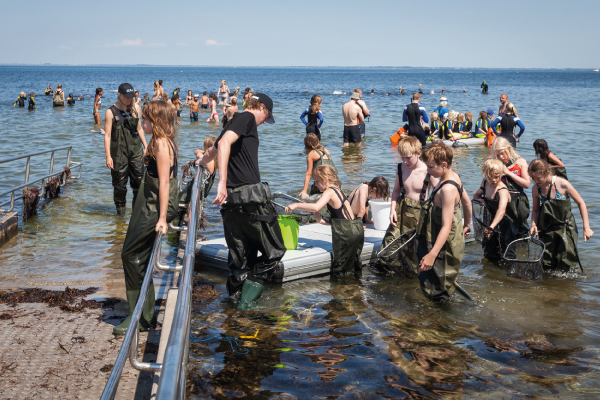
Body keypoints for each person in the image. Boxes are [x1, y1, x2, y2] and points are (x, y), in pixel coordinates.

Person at [197, 93, 285, 309]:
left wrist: (199, 162)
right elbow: (224, 144)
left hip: (232, 204)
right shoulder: (245, 118)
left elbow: (213, 150)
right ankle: (246, 304)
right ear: (262, 108)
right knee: (275, 251)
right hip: (250, 198)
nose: (264, 122)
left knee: (240, 258)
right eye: (266, 117)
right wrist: (221, 182)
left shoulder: (233, 122)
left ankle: (234, 304)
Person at [113, 100, 179, 335]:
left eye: (146, 119)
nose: (143, 122)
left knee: (130, 254)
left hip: (154, 206)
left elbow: (164, 184)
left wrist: (162, 218)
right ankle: (144, 314)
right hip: (148, 203)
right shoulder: (159, 141)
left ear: (157, 121)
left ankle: (138, 317)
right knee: (138, 257)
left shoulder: (161, 144)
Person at [286, 165, 364, 279]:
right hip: (357, 230)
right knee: (354, 264)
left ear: (325, 179)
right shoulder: (338, 190)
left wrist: (296, 205)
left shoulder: (329, 191)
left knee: (341, 268)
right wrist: (321, 220)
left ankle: (341, 292)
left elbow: (316, 207)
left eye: (317, 181)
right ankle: (356, 288)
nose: (315, 184)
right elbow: (343, 220)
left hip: (346, 235)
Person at [417, 143, 472, 302]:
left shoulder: (447, 189)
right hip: (445, 236)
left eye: (431, 167)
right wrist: (467, 224)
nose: (428, 171)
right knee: (442, 282)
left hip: (444, 243)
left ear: (444, 165)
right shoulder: (454, 176)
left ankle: (444, 321)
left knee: (438, 287)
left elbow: (446, 226)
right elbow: (467, 203)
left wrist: (432, 255)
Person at [379, 137, 435, 275]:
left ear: (418, 153)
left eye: (408, 158)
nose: (405, 161)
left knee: (414, 249)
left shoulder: (428, 171)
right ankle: (391, 272)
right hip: (401, 209)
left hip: (419, 212)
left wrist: (427, 216)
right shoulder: (400, 168)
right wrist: (392, 209)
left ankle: (412, 276)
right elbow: (397, 191)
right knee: (391, 242)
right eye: (402, 158)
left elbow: (439, 194)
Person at [529, 159, 593, 271]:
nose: (536, 182)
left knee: (566, 260)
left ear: (547, 173)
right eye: (533, 179)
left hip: (566, 227)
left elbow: (581, 203)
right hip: (547, 228)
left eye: (538, 178)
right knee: (547, 262)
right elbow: (535, 210)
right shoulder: (536, 189)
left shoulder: (563, 184)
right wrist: (534, 224)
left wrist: (586, 228)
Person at [104, 83, 148, 215]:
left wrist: (146, 147)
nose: (129, 99)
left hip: (136, 152)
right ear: (119, 95)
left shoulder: (135, 109)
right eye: (126, 97)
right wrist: (108, 156)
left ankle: (136, 215)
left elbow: (139, 129)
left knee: (139, 184)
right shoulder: (110, 112)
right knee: (120, 186)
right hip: (119, 154)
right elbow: (107, 135)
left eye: (131, 97)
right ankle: (120, 218)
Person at [472, 159, 514, 261]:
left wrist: (491, 227)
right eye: (491, 177)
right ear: (485, 175)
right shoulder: (485, 182)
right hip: (491, 219)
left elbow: (501, 210)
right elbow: (475, 196)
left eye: (497, 176)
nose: (494, 180)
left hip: (505, 223)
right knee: (490, 250)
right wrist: (480, 200)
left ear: (501, 174)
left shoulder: (502, 190)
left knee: (507, 250)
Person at [491, 137, 530, 238]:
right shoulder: (496, 164)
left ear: (509, 149)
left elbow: (526, 184)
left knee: (521, 231)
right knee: (504, 233)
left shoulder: (520, 162)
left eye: (502, 153)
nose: (501, 157)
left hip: (518, 202)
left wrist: (508, 173)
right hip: (502, 202)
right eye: (498, 154)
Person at [299, 133, 337, 199]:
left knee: (311, 198)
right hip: (334, 180)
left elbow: (308, 174)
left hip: (323, 182)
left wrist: (304, 191)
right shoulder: (325, 150)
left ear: (307, 144)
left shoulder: (311, 154)